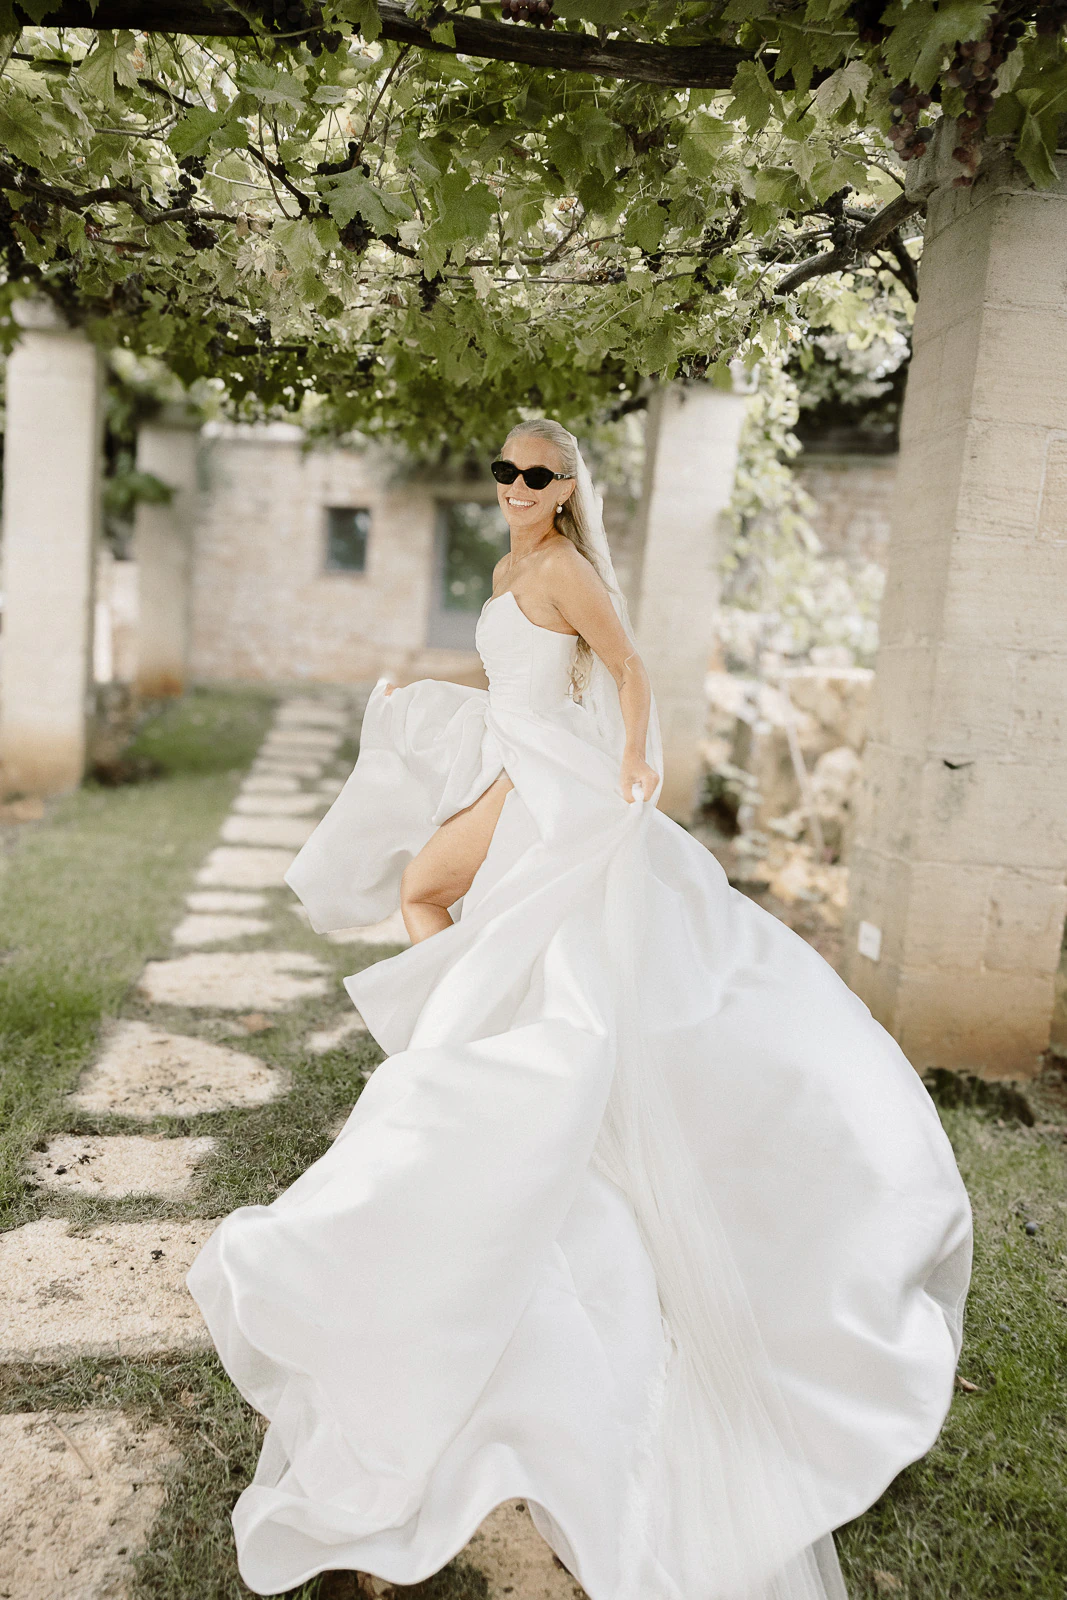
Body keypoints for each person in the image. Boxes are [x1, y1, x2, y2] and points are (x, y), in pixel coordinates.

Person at [188, 419, 972, 1600]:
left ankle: (492, 1061)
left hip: (552, 783)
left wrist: (633, 766)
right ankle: (478, 1046)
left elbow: (628, 666)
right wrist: (439, 706)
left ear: (567, 491)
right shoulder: (508, 569)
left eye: (536, 475)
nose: (513, 487)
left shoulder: (559, 568)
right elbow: (520, 672)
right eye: (501, 469)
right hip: (511, 762)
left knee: (474, 917)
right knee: (423, 892)